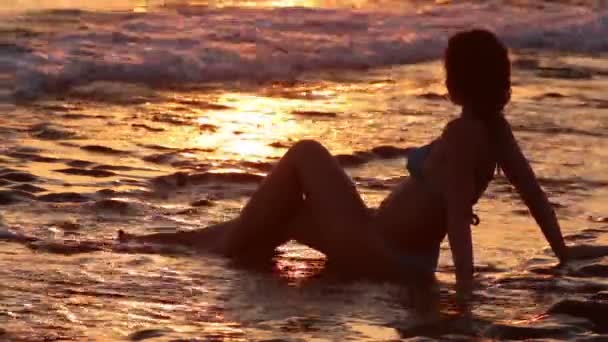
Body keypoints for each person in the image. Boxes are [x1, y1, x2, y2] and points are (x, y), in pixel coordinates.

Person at [118, 29, 606, 304]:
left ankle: (192, 246)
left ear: (457, 84)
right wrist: (562, 255)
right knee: (283, 215)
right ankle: (180, 243)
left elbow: (458, 222)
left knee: (306, 152)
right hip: (385, 245)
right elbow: (535, 196)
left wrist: (464, 302)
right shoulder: (496, 131)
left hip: (387, 254)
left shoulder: (464, 136)